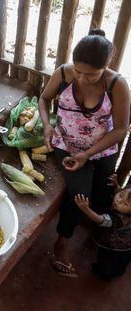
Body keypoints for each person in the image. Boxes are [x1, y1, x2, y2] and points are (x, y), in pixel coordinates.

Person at [38, 29, 130, 277]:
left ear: (106, 66)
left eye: (91, 74)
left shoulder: (117, 85)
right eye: (78, 71)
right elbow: (44, 99)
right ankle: (62, 242)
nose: (82, 77)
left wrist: (88, 154)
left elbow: (121, 129)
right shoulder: (64, 73)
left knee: (104, 192)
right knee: (80, 194)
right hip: (66, 144)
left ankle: (99, 232)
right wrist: (47, 125)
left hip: (101, 148)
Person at [75, 174, 131, 280]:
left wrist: (85, 208)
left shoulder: (116, 220)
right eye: (120, 195)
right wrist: (116, 186)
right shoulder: (123, 204)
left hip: (114, 247)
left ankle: (104, 274)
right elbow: (122, 193)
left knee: (108, 262)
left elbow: (99, 219)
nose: (119, 201)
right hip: (126, 244)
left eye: (126, 204)